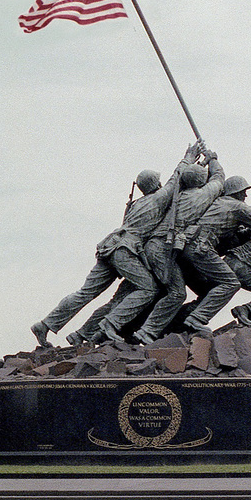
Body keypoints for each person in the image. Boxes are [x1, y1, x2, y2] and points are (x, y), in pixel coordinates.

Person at [30, 144, 200, 348]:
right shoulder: (157, 199)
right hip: (124, 251)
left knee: (86, 292)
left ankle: (46, 324)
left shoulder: (136, 204)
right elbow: (177, 179)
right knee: (148, 288)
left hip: (109, 247)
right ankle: (111, 324)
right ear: (156, 183)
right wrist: (188, 157)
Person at [132, 148, 224, 344]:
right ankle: (147, 331)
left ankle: (156, 328)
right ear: (201, 181)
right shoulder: (202, 195)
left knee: (175, 290)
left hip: (155, 247)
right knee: (177, 292)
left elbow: (176, 177)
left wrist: (191, 160)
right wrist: (212, 159)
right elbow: (219, 179)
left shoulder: (173, 195)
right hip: (162, 249)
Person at [176, 175, 251, 333]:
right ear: (237, 192)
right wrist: (245, 229)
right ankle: (196, 319)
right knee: (231, 283)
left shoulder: (216, 202)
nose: (245, 196)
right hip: (201, 248)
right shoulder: (238, 207)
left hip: (186, 246)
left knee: (209, 290)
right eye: (244, 192)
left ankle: (177, 322)